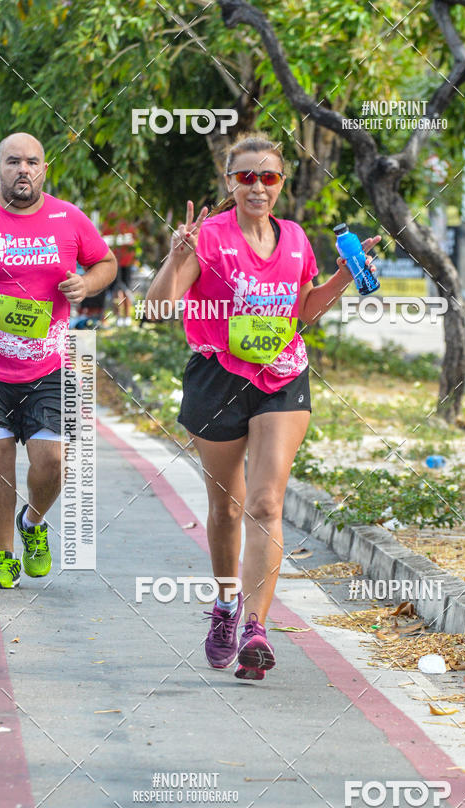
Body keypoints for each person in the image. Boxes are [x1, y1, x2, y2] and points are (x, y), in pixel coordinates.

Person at [147, 132, 379, 679]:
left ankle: (256, 625)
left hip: (282, 375)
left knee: (266, 504)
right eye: (245, 176)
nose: (257, 185)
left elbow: (302, 310)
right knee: (227, 507)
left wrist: (346, 275)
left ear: (280, 184)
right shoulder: (208, 237)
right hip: (218, 375)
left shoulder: (295, 237)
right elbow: (158, 307)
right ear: (229, 182)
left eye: (268, 176)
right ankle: (225, 606)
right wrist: (177, 254)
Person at [0, 133, 117, 588]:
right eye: (13, 161)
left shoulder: (69, 218)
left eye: (32, 162)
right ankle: (3, 556)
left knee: (51, 463)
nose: (23, 169)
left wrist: (87, 285)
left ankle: (33, 523)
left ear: (44, 169)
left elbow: (105, 262)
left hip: (49, 366)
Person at [101, 215, 138, 325]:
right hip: (113, 261)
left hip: (126, 261)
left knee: (126, 290)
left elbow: (134, 239)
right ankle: (118, 317)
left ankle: (126, 317)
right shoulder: (108, 220)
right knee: (115, 291)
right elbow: (103, 239)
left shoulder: (127, 220)